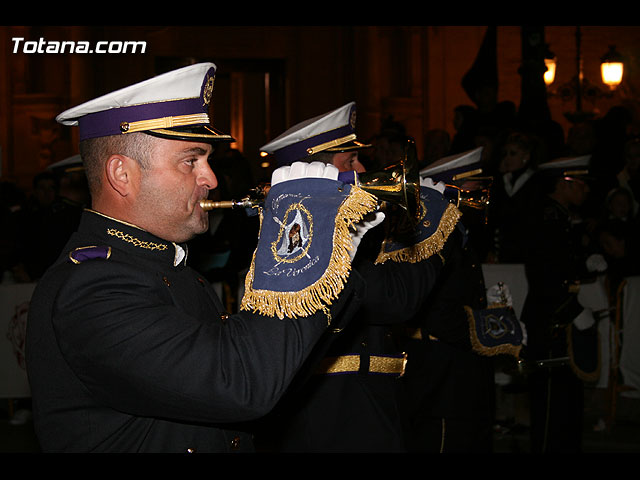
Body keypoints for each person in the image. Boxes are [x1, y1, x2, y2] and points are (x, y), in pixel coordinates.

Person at [24, 63, 380, 453]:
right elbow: (240, 385)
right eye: (190, 160)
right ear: (122, 174)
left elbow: (282, 371)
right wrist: (299, 238)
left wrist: (335, 253)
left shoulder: (164, 264)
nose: (210, 178)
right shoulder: (92, 288)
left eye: (206, 160)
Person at [254, 102, 460, 452]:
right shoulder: (294, 234)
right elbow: (396, 300)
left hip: (360, 398)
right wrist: (430, 226)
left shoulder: (337, 227)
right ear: (315, 169)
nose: (363, 169)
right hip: (333, 409)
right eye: (350, 162)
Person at [399, 148, 525, 453]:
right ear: (449, 189)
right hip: (441, 377)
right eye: (473, 187)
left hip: (458, 371)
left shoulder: (458, 232)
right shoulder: (435, 238)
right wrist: (496, 331)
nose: (482, 193)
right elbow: (439, 315)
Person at [519, 155, 600, 453]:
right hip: (552, 319)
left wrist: (586, 266)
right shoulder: (547, 219)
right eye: (581, 184)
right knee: (553, 403)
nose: (586, 191)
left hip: (557, 317)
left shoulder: (558, 216)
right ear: (565, 184)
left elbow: (560, 267)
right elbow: (544, 276)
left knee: (567, 403)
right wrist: (572, 312)